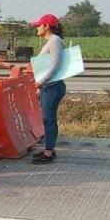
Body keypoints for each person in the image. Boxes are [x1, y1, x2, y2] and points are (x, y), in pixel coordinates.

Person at [30, 14, 66, 164]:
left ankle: (48, 153)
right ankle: (49, 149)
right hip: (48, 86)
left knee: (48, 119)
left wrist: (41, 82)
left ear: (47, 26)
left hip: (52, 86)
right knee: (48, 119)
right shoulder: (51, 41)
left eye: (39, 25)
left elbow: (55, 65)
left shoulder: (54, 41)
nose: (37, 28)